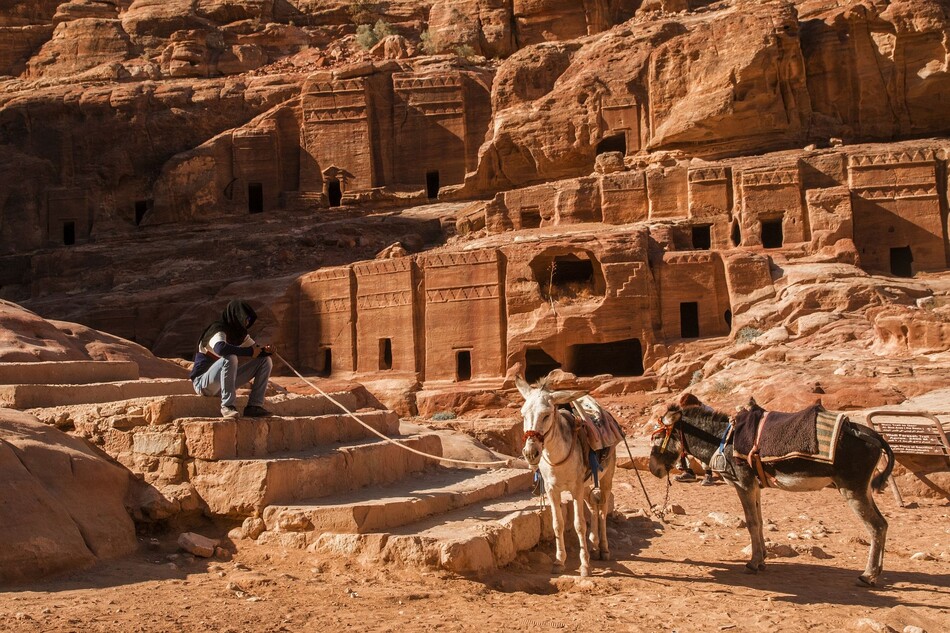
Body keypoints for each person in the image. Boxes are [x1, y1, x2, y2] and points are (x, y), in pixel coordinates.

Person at [189, 299, 274, 419]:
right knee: (230, 357)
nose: (247, 322)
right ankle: (227, 406)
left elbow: (256, 350)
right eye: (245, 318)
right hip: (203, 384)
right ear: (237, 316)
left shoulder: (240, 334)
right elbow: (220, 348)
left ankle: (254, 406)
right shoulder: (218, 329)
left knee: (265, 361)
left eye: (249, 319)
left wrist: (267, 351)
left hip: (222, 385)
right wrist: (250, 352)